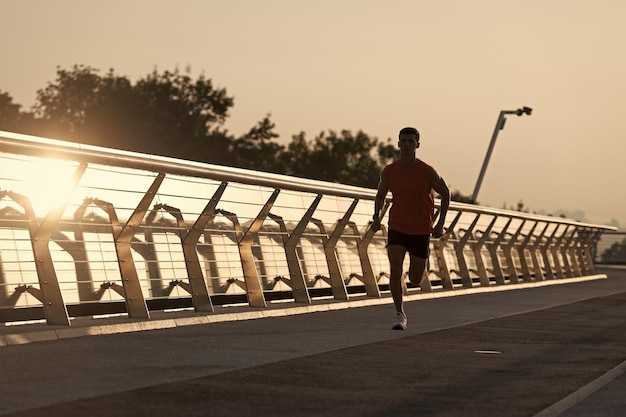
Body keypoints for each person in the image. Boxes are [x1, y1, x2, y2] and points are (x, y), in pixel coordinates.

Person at [371, 127, 450, 330]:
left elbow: (446, 193)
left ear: (417, 145)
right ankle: (400, 314)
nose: (407, 145)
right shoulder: (389, 171)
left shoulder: (427, 171)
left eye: (410, 141)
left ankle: (423, 264)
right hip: (397, 225)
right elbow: (380, 195)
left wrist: (439, 224)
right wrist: (376, 216)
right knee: (395, 269)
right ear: (398, 144)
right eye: (403, 141)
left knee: (415, 279)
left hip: (421, 228)